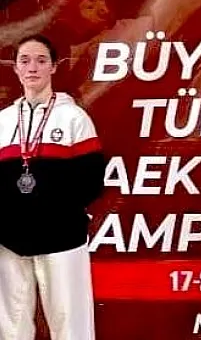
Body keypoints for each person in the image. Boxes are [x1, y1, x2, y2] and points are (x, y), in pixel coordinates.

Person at [0, 35, 106, 340]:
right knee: (10, 326)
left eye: (41, 60)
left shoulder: (74, 118)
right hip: (9, 240)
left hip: (61, 236)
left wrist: (50, 212)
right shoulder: (3, 122)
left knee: (71, 324)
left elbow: (91, 181)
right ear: (16, 69)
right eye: (25, 61)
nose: (32, 67)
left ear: (54, 67)